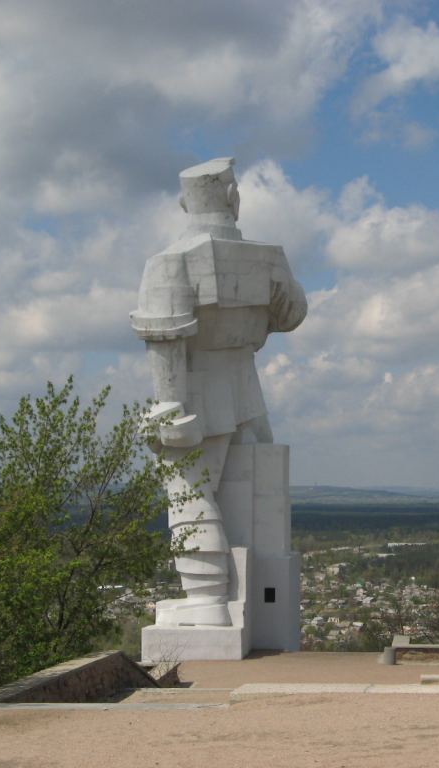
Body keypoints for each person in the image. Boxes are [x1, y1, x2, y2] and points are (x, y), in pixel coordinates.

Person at [130, 157, 306, 626]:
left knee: (188, 490)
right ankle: (258, 609)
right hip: (248, 390)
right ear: (233, 198)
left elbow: (166, 338)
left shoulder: (170, 262)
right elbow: (292, 315)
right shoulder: (268, 257)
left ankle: (208, 602)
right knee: (254, 492)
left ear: (185, 202)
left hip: (198, 388)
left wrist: (170, 408)